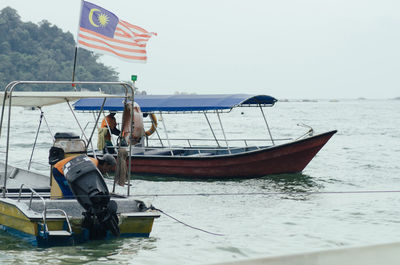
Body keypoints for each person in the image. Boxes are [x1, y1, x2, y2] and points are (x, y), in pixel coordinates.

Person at [52, 154, 116, 198]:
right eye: (109, 168)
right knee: (70, 194)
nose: (107, 171)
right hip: (59, 171)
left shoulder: (94, 164)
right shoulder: (92, 166)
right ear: (105, 164)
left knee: (74, 194)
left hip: (68, 172)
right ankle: (67, 209)